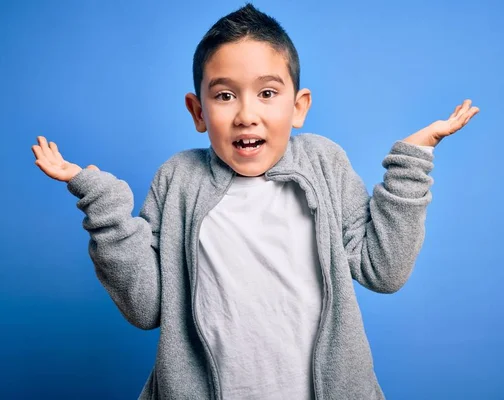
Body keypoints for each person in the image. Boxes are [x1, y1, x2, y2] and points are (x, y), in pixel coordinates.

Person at [31, 4, 478, 400]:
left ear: (298, 107)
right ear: (198, 112)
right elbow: (147, 306)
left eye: (267, 93)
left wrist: (411, 163)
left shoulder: (324, 162)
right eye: (225, 95)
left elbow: (384, 271)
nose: (247, 114)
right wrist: (101, 205)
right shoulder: (179, 178)